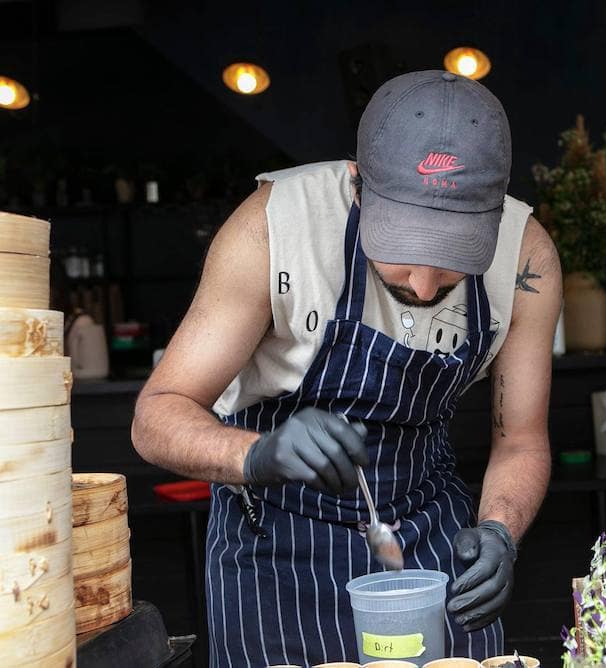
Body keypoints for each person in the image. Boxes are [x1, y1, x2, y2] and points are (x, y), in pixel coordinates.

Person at [131, 70, 561, 665]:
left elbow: (521, 440)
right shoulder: (272, 230)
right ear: (358, 187)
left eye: (456, 260)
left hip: (429, 540)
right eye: (404, 250)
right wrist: (256, 454)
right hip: (276, 550)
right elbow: (157, 415)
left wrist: (498, 534)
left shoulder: (526, 256)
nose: (424, 284)